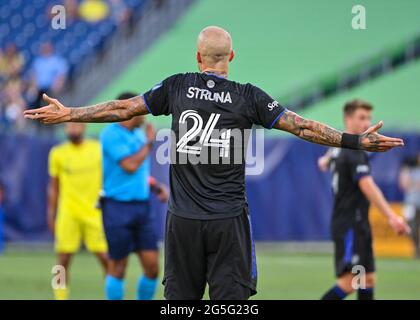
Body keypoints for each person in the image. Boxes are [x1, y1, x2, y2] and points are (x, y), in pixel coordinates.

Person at [25, 26, 405, 300]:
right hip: (227, 223)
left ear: (198, 58)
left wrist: (70, 111)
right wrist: (355, 141)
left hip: (183, 223)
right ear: (231, 58)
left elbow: (123, 108)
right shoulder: (248, 97)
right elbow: (302, 127)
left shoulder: (175, 86)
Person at [317, 100, 410, 300]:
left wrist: (325, 160)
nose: (366, 122)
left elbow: (324, 160)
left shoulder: (338, 147)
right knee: (351, 282)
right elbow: (367, 185)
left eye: (368, 118)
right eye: (361, 117)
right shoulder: (354, 152)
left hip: (356, 223)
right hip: (351, 224)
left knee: (367, 280)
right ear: (347, 119)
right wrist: (392, 217)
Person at [100, 92, 168, 300]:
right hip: (117, 207)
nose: (144, 114)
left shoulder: (138, 135)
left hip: (142, 207)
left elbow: (140, 173)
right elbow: (129, 166)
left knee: (152, 267)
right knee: (118, 266)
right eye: (141, 110)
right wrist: (149, 143)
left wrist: (155, 186)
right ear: (129, 111)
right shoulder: (110, 134)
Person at [48, 123, 108, 300]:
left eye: (76, 126)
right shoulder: (57, 153)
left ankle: (113, 295)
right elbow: (53, 187)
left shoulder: (97, 149)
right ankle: (60, 297)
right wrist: (51, 214)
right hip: (68, 213)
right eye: (69, 126)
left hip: (94, 213)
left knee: (106, 259)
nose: (72, 129)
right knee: (62, 260)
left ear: (84, 127)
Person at [30, 42, 68, 109]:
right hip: (40, 89)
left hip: (51, 88)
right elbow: (34, 76)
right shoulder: (38, 62)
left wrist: (57, 85)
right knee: (34, 98)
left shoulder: (57, 60)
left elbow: (62, 75)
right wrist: (34, 87)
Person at [399, 152, 420, 258]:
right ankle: (417, 249)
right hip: (412, 203)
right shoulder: (411, 170)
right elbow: (404, 184)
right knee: (412, 227)